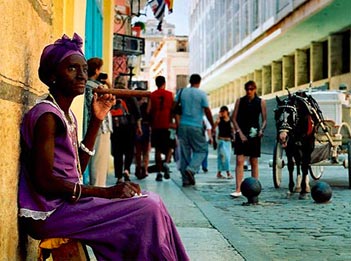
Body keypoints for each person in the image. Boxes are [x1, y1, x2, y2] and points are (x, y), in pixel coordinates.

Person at [18, 33, 189, 261]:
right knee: (147, 209)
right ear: (52, 77)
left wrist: (97, 119)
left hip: (65, 204)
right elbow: (44, 181)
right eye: (72, 69)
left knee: (151, 201)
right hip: (49, 213)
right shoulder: (47, 117)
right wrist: (106, 192)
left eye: (84, 69)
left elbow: (76, 171)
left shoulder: (65, 114)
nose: (81, 75)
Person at [175, 74, 214, 187]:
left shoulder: (182, 92)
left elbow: (174, 107)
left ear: (190, 81)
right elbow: (207, 110)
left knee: (185, 153)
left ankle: (186, 180)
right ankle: (191, 169)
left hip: (183, 125)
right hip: (196, 126)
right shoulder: (201, 94)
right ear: (199, 82)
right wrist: (212, 125)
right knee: (202, 149)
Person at [230, 80, 267, 197]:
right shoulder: (239, 101)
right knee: (239, 160)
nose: (249, 91)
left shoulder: (261, 102)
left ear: (255, 89)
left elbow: (265, 119)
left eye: (251, 89)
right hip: (241, 131)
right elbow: (233, 118)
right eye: (247, 89)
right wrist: (239, 132)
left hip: (254, 133)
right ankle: (238, 188)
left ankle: (255, 187)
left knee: (254, 161)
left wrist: (261, 129)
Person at [83, 57, 113, 186]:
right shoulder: (98, 87)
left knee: (92, 162)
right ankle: (98, 193)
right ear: (96, 70)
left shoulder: (84, 86)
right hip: (101, 128)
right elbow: (112, 100)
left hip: (89, 128)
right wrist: (109, 84)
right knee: (99, 164)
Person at [110, 76, 143, 183]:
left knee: (117, 152)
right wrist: (139, 127)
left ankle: (119, 177)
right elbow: (137, 114)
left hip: (116, 127)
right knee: (129, 150)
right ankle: (127, 170)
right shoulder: (130, 95)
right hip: (129, 126)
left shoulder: (112, 94)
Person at [147, 75, 174, 181]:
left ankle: (159, 172)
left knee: (157, 149)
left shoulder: (152, 95)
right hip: (167, 125)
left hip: (156, 125)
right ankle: (166, 163)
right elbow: (173, 109)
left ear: (156, 83)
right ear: (164, 83)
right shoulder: (170, 94)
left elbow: (148, 110)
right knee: (170, 146)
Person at [213, 106, 234, 179]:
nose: (222, 113)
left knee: (227, 157)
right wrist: (217, 120)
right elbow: (214, 127)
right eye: (221, 111)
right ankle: (228, 173)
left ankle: (219, 173)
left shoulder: (230, 120)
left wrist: (234, 137)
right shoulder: (219, 120)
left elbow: (232, 130)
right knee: (223, 157)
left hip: (228, 141)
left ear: (227, 112)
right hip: (221, 141)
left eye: (223, 111)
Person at [134, 87, 150, 179]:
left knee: (138, 150)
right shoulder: (145, 104)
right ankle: (144, 169)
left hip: (138, 127)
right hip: (145, 126)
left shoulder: (134, 103)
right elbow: (148, 113)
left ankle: (139, 167)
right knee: (144, 150)